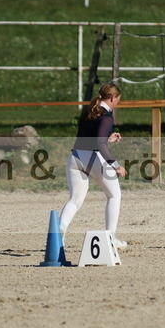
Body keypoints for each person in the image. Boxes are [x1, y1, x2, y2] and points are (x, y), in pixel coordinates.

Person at [59, 82, 127, 248]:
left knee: (74, 200)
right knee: (114, 196)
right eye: (118, 99)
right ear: (113, 98)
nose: (118, 102)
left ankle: (59, 232)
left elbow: (92, 137)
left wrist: (108, 139)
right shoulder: (107, 117)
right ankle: (111, 238)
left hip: (76, 157)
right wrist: (116, 165)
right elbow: (100, 144)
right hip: (93, 158)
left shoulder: (89, 110)